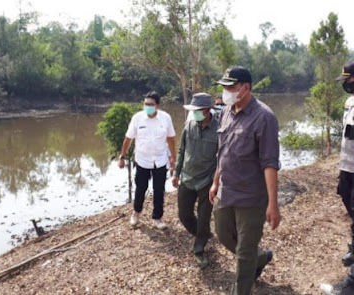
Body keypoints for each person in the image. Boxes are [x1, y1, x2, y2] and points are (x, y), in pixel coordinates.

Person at [209, 66, 281, 295]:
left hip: (250, 197)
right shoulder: (227, 112)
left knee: (244, 252)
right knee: (223, 234)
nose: (226, 91)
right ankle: (260, 257)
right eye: (224, 87)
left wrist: (273, 203)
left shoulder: (264, 118)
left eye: (230, 87)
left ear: (245, 88)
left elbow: (269, 163)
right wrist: (215, 180)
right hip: (226, 191)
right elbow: (223, 150)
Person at [172, 93, 218, 268]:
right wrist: (176, 173)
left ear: (207, 110)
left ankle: (199, 248)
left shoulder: (219, 129)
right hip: (187, 177)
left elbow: (222, 157)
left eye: (197, 110)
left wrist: (216, 181)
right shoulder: (189, 126)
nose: (194, 113)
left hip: (206, 180)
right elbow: (182, 150)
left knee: (204, 217)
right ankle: (203, 234)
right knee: (184, 215)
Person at [118, 91, 176, 230]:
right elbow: (128, 139)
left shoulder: (165, 118)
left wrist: (173, 157)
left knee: (159, 190)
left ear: (158, 106)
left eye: (151, 104)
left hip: (161, 160)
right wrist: (122, 156)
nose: (148, 106)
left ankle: (157, 218)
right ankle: (136, 213)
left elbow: (171, 139)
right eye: (146, 104)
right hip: (142, 160)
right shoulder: (137, 118)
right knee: (141, 188)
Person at [320, 61, 354, 295]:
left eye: (348, 81)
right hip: (348, 169)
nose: (346, 86)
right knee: (348, 205)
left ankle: (351, 285)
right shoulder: (349, 103)